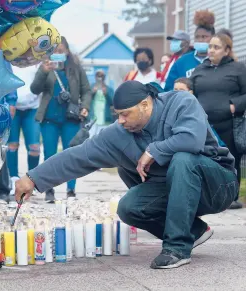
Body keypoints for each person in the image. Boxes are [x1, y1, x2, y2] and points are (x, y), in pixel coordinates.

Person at [15, 80, 238, 269]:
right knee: (129, 207)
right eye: (117, 115)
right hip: (178, 190)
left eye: (125, 114)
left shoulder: (181, 102)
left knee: (182, 159)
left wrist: (154, 150)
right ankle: (193, 231)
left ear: (145, 105)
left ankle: (177, 248)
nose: (120, 121)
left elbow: (192, 139)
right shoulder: (119, 133)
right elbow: (78, 156)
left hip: (218, 185)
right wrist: (33, 178)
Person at [30, 36, 91, 202]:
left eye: (61, 51)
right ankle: (49, 190)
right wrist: (43, 71)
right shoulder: (46, 67)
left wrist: (85, 106)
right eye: (55, 51)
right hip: (49, 118)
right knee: (49, 155)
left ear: (67, 51)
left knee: (71, 154)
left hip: (71, 118)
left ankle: (71, 190)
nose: (58, 53)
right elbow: (35, 89)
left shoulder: (76, 68)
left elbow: (86, 90)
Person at [190, 32, 246, 209]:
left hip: (228, 124)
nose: (211, 50)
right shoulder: (200, 70)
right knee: (205, 159)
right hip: (203, 125)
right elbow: (191, 92)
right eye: (210, 47)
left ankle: (232, 197)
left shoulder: (238, 69)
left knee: (230, 159)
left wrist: (234, 105)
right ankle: (207, 196)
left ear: (227, 50)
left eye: (216, 47)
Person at [7, 65, 41, 194]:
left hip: (32, 108)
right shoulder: (9, 61)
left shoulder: (36, 61)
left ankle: (33, 179)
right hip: (14, 107)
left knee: (34, 147)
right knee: (12, 145)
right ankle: (13, 179)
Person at [164, 10, 215, 91]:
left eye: (204, 37)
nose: (200, 40)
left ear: (213, 38)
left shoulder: (218, 61)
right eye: (197, 37)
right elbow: (168, 89)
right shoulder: (181, 62)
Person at [89, 70, 114, 136]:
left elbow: (113, 103)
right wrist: (92, 92)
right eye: (98, 75)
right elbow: (86, 99)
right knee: (91, 138)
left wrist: (106, 94)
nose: (100, 77)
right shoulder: (90, 87)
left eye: (101, 76)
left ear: (104, 77)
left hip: (105, 119)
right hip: (93, 118)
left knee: (104, 138)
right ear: (95, 77)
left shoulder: (109, 89)